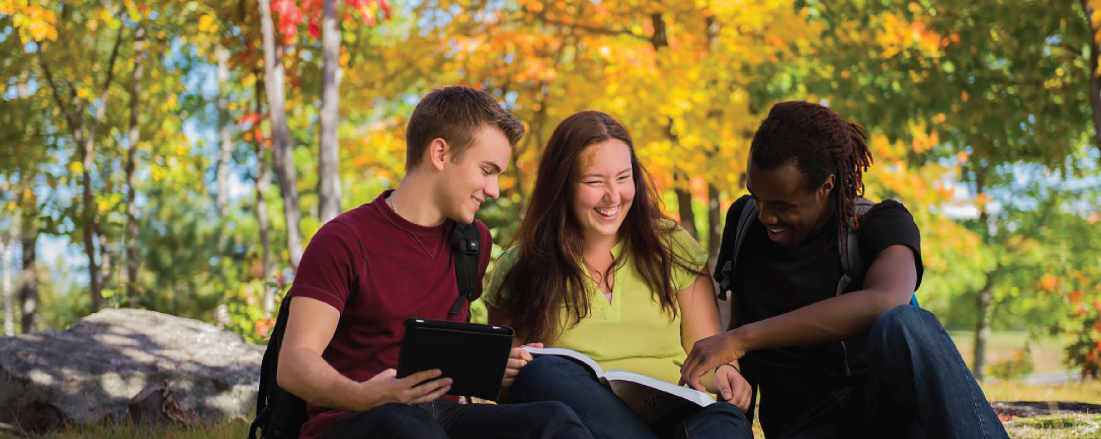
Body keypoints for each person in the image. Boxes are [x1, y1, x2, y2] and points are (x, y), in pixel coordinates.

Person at [678, 101, 1009, 438]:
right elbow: (739, 333)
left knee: (905, 322)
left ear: (826, 186)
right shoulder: (745, 222)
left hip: (880, 412)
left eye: (781, 205)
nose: (765, 215)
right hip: (802, 425)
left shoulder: (879, 224)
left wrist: (740, 340)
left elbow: (887, 301)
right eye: (756, 197)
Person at [276, 87, 593, 439]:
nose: (495, 190)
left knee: (553, 420)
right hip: (358, 418)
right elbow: (293, 364)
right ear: (440, 153)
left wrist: (494, 365)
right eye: (487, 170)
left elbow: (441, 355)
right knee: (407, 428)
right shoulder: (343, 240)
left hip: (441, 416)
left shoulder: (474, 243)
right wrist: (364, 395)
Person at [486, 111, 754, 439]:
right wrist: (503, 372)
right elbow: (508, 392)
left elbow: (708, 354)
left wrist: (726, 373)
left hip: (676, 418)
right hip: (586, 426)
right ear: (562, 184)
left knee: (724, 421)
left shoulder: (672, 245)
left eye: (623, 178)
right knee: (542, 373)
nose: (613, 196)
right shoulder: (521, 266)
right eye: (595, 182)